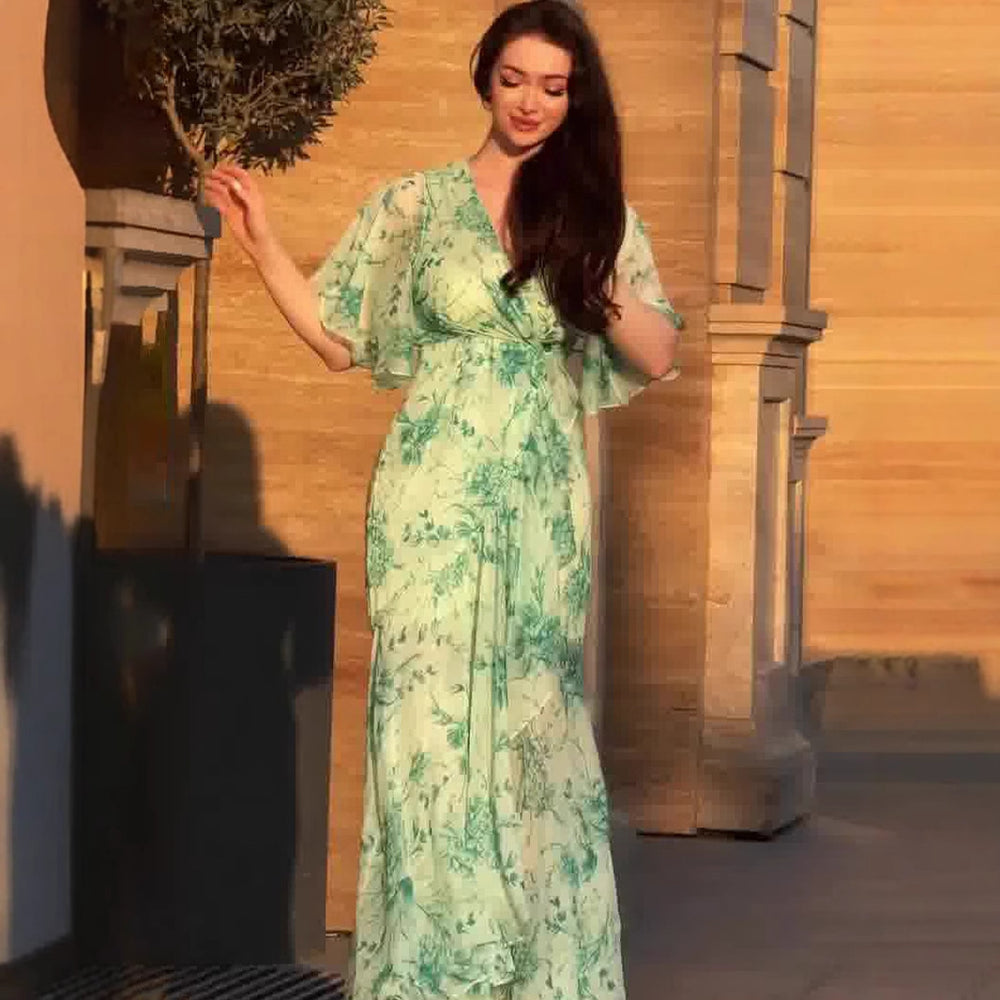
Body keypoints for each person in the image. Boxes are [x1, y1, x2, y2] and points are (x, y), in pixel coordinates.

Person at [205, 1, 681, 996]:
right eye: (515, 78)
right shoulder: (413, 206)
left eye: (554, 87)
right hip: (428, 505)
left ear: (575, 96)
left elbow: (658, 349)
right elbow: (341, 338)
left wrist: (583, 270)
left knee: (532, 731)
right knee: (424, 736)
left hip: (542, 511)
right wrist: (264, 246)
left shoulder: (598, 217)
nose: (531, 103)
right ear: (485, 75)